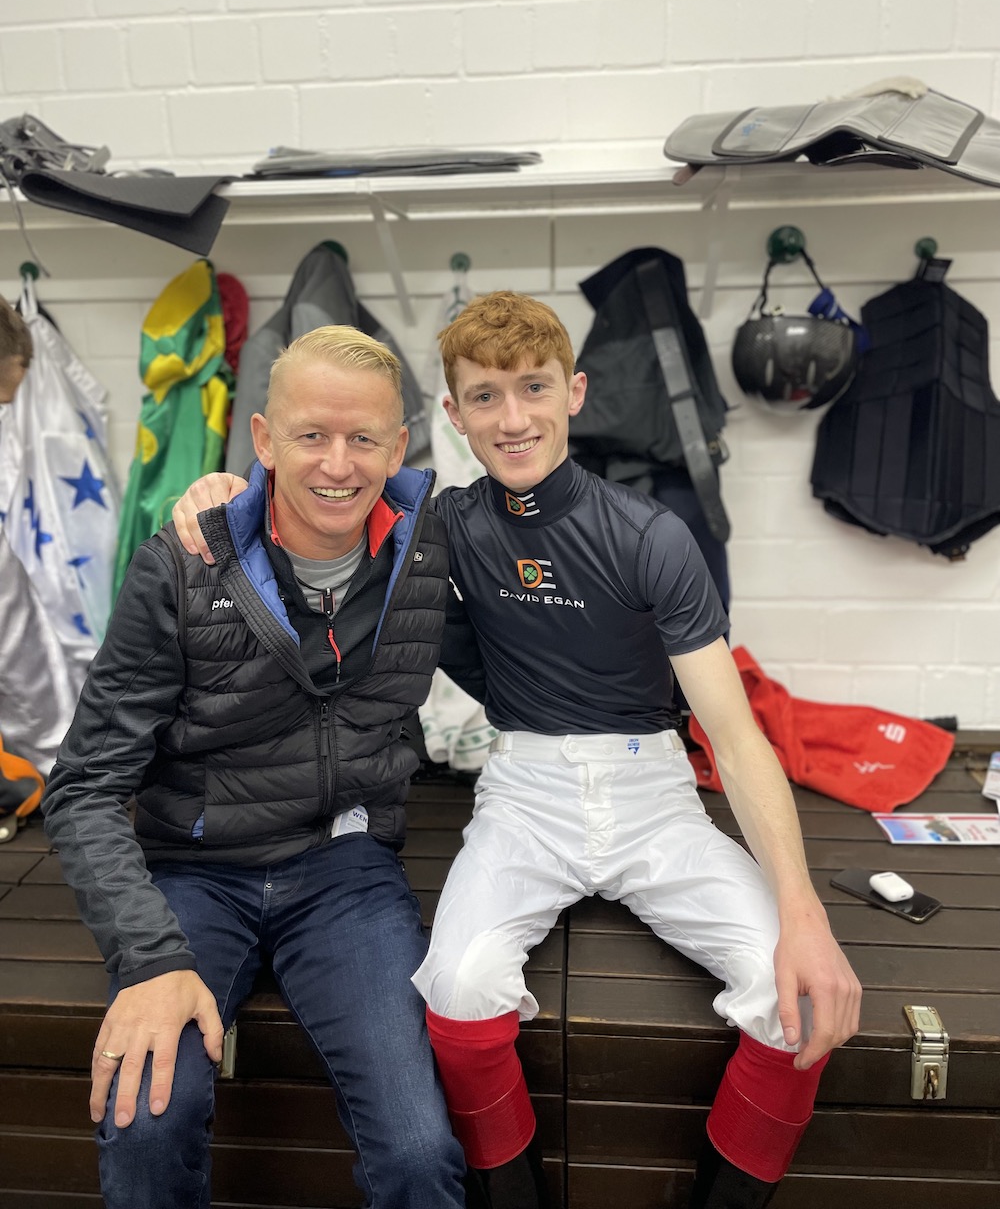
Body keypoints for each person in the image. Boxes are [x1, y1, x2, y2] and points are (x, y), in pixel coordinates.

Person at [174, 293, 862, 1209]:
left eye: (533, 387)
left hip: (653, 792)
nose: (513, 417)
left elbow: (735, 740)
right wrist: (225, 491)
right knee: (456, 991)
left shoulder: (653, 537)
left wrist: (806, 917)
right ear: (452, 418)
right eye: (485, 397)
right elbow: (324, 499)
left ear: (574, 392)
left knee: (800, 1001)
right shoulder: (447, 522)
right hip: (525, 790)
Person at [42, 326, 467, 1209]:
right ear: (265, 440)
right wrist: (150, 958)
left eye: (364, 440)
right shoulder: (185, 564)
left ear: (401, 445)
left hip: (347, 873)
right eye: (312, 436)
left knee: (423, 1152)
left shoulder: (432, 549)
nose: (339, 465)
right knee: (146, 1116)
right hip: (196, 874)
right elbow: (83, 786)